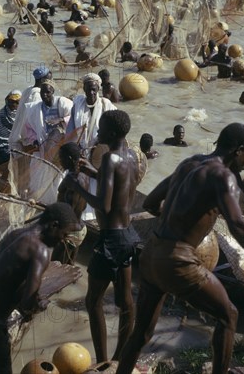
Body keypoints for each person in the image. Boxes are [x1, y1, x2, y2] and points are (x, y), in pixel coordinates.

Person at [115, 123, 244, 374]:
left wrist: (178, 223)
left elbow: (149, 203)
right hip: (177, 260)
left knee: (141, 334)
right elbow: (239, 228)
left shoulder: (189, 164)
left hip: (150, 254)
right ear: (239, 150)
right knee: (229, 315)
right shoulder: (223, 177)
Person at [61, 110, 141, 363]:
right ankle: (120, 358)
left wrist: (75, 186)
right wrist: (94, 173)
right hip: (128, 235)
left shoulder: (108, 159)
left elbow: (103, 206)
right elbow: (123, 184)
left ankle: (103, 361)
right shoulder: (130, 157)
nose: (98, 132)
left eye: (102, 129)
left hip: (110, 240)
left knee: (93, 300)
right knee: (126, 302)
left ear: (113, 133)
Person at [0, 203, 82, 374]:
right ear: (54, 225)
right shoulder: (41, 251)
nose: (63, 240)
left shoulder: (15, 234)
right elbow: (28, 304)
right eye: (64, 234)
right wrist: (39, 304)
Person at [53, 142, 90, 264]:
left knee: (54, 269)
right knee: (68, 268)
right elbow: (81, 205)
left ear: (69, 159)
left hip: (68, 232)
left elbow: (69, 210)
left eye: (61, 158)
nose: (60, 161)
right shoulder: (85, 176)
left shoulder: (72, 179)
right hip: (80, 228)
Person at [67, 73, 117, 152]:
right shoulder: (77, 106)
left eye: (93, 89)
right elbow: (70, 131)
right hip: (81, 150)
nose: (91, 93)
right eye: (88, 90)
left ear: (98, 89)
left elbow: (115, 128)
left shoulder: (106, 105)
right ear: (84, 89)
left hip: (100, 151)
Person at [22, 80, 73, 156]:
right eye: (42, 92)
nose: (44, 95)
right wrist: (34, 140)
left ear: (53, 92)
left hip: (63, 142)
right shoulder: (35, 108)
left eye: (48, 92)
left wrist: (61, 120)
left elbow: (75, 118)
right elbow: (28, 127)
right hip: (43, 144)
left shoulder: (62, 103)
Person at [9, 66, 52, 153]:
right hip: (25, 140)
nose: (51, 83)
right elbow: (33, 121)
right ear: (42, 80)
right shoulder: (37, 95)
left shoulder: (28, 90)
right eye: (49, 80)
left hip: (17, 135)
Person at [0, 90, 21, 175]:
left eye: (17, 102)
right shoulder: (3, 114)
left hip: (15, 143)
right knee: (10, 157)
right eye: (11, 101)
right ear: (7, 101)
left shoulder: (21, 114)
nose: (13, 104)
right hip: (0, 144)